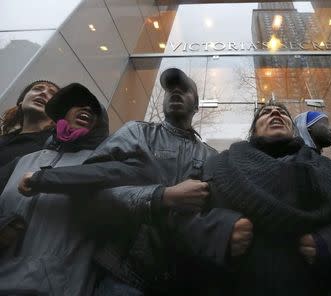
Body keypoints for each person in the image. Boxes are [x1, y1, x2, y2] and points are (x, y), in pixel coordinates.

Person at [15, 68, 246, 295]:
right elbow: (89, 192)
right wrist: (160, 197)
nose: (176, 92)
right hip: (123, 276)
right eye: (170, 90)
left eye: (185, 90)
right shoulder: (135, 133)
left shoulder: (211, 157)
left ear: (196, 106)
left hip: (185, 280)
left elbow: (215, 211)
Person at [198, 102, 331, 296]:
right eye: (265, 112)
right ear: (253, 130)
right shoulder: (220, 165)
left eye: (282, 112)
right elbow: (179, 216)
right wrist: (220, 231)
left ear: (293, 128)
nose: (275, 112)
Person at [0, 83, 109, 295]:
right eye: (78, 105)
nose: (86, 109)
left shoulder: (105, 166)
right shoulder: (22, 162)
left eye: (94, 109)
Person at [0, 80, 59, 166]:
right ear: (21, 102)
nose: (43, 93)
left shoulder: (56, 145)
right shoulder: (4, 139)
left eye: (52, 94)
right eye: (37, 89)